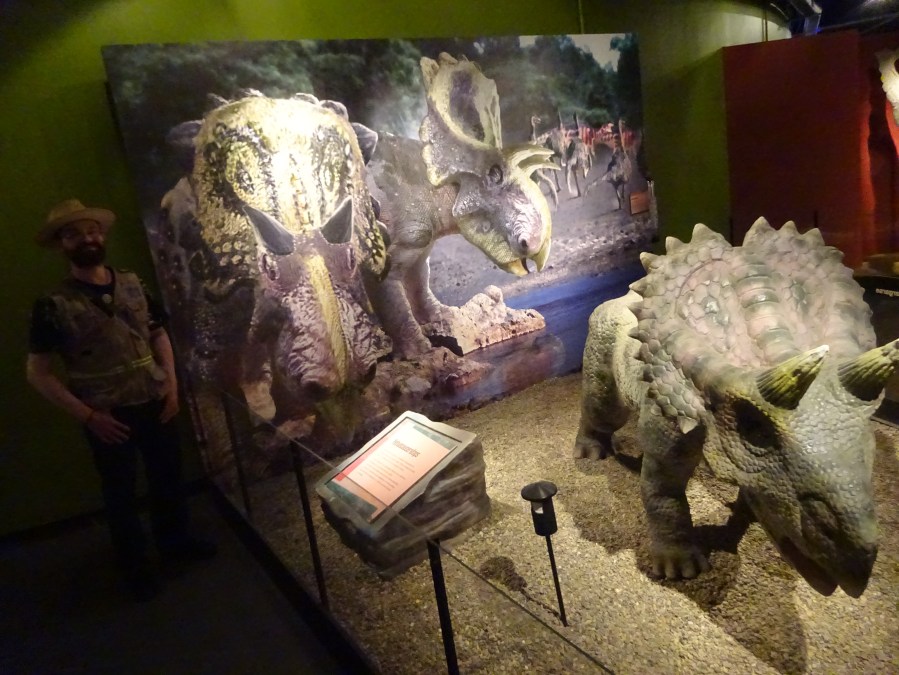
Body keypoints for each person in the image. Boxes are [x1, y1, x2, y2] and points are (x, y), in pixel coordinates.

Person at [26, 198, 215, 601]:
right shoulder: (53, 304)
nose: (86, 239)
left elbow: (158, 333)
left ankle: (175, 542)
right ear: (61, 244)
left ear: (102, 235)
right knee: (120, 493)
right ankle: (135, 567)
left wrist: (172, 385)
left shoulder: (132, 283)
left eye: (92, 231)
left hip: (154, 400)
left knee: (168, 477)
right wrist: (88, 416)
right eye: (74, 234)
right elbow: (37, 372)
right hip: (108, 415)